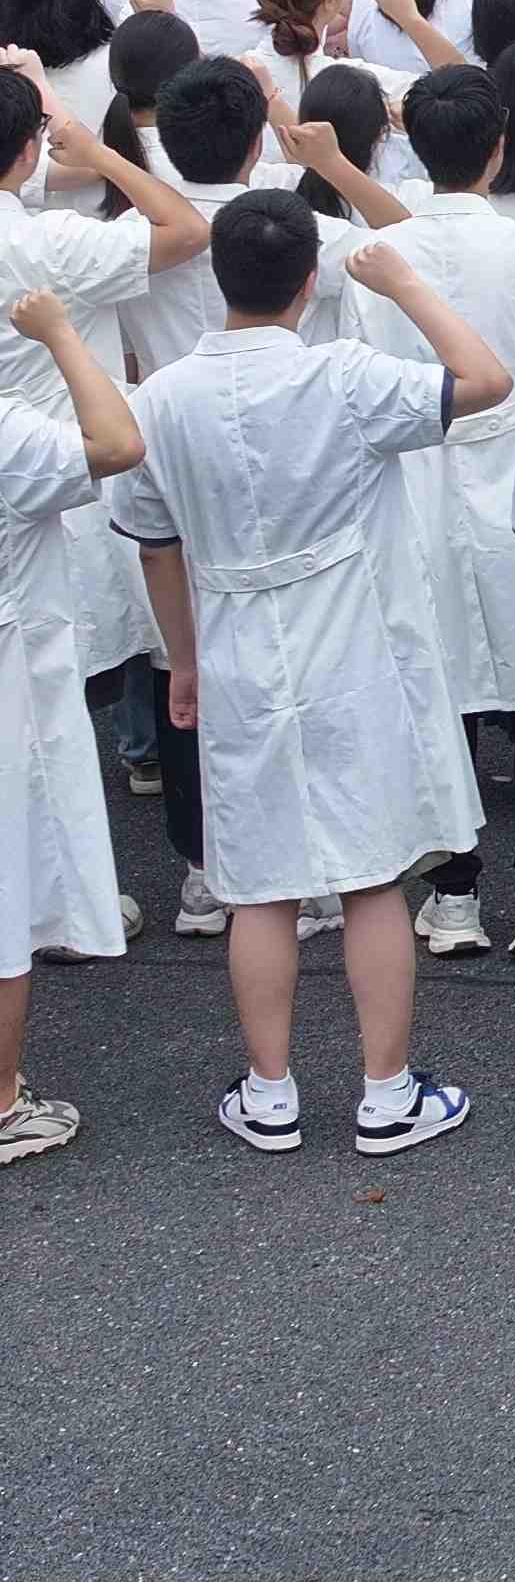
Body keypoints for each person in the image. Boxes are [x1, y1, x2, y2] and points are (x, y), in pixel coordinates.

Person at [112, 191, 507, 1160]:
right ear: (307, 281)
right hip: (352, 643)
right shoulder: (345, 374)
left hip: (234, 641)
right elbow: (486, 379)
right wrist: (404, 282)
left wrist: (183, 659)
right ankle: (386, 1092)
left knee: (258, 882)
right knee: (370, 874)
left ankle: (270, 1091)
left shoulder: (160, 398)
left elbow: (155, 545)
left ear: (218, 275)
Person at [351, 68, 515, 970]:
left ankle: (455, 892)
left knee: (436, 692)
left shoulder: (378, 255)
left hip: (416, 484)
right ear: (499, 146)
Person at [0, 290, 141, 1169]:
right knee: (6, 890)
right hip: (11, 676)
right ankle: (2, 1102)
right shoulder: (8, 431)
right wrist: (59, 335)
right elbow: (119, 443)